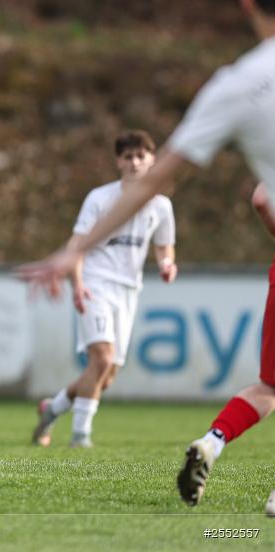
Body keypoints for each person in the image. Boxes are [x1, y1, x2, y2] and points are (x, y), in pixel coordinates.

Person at [17, 0, 275, 511]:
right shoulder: (99, 196)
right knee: (104, 363)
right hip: (104, 287)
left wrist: (71, 252)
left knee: (268, 386)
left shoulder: (239, 85)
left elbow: (161, 186)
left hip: (136, 287)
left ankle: (202, 439)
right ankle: (76, 431)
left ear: (247, 1)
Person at [30, 131, 177, 449]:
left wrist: (167, 264)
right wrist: (78, 284)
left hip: (128, 291)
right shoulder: (100, 197)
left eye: (141, 156)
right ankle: (81, 436)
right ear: (118, 162)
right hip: (96, 283)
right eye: (128, 156)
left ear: (152, 159)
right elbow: (77, 245)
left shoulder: (162, 206)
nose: (135, 162)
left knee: (106, 375)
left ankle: (52, 408)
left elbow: (165, 248)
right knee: (102, 358)